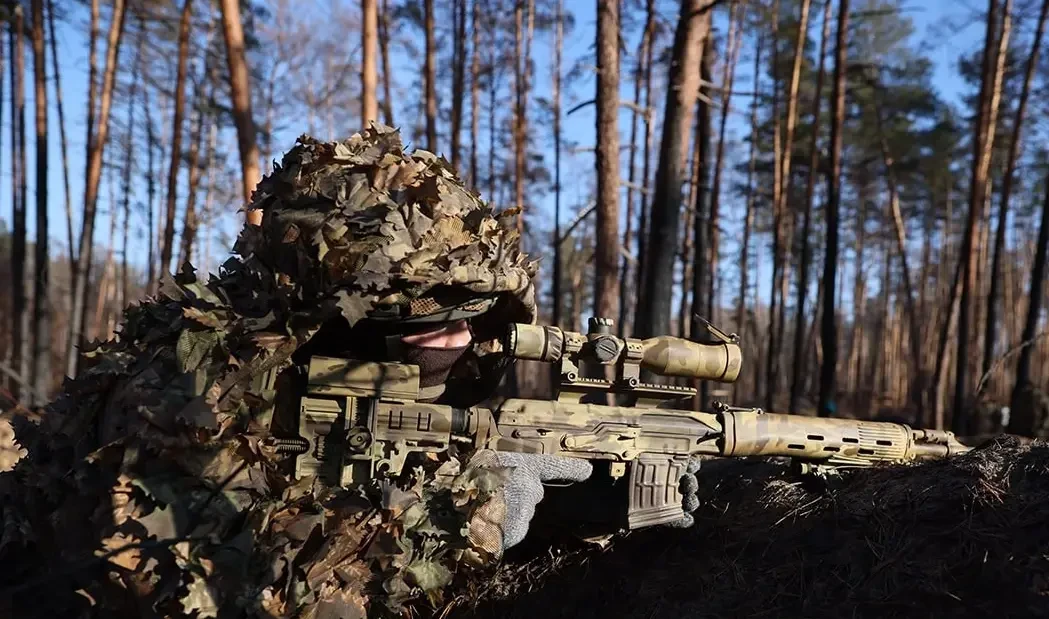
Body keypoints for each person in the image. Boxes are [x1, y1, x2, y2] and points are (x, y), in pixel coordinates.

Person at [0, 124, 695, 618]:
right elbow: (194, 585)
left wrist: (562, 515)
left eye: (479, 316)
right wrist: (468, 522)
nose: (462, 340)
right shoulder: (190, 387)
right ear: (334, 318)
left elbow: (338, 509)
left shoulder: (364, 383)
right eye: (430, 317)